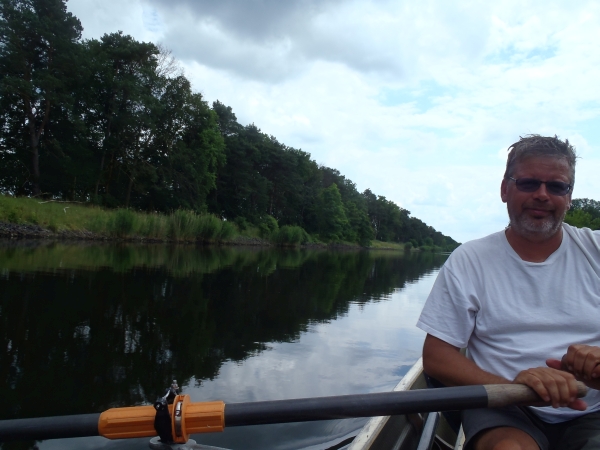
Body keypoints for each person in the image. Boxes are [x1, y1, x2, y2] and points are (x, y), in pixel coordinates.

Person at [416, 135, 600, 450]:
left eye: (557, 186)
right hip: (504, 407)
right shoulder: (470, 259)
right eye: (528, 183)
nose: (542, 195)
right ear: (505, 189)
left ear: (569, 197)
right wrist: (513, 386)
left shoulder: (595, 250)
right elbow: (436, 358)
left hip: (592, 411)